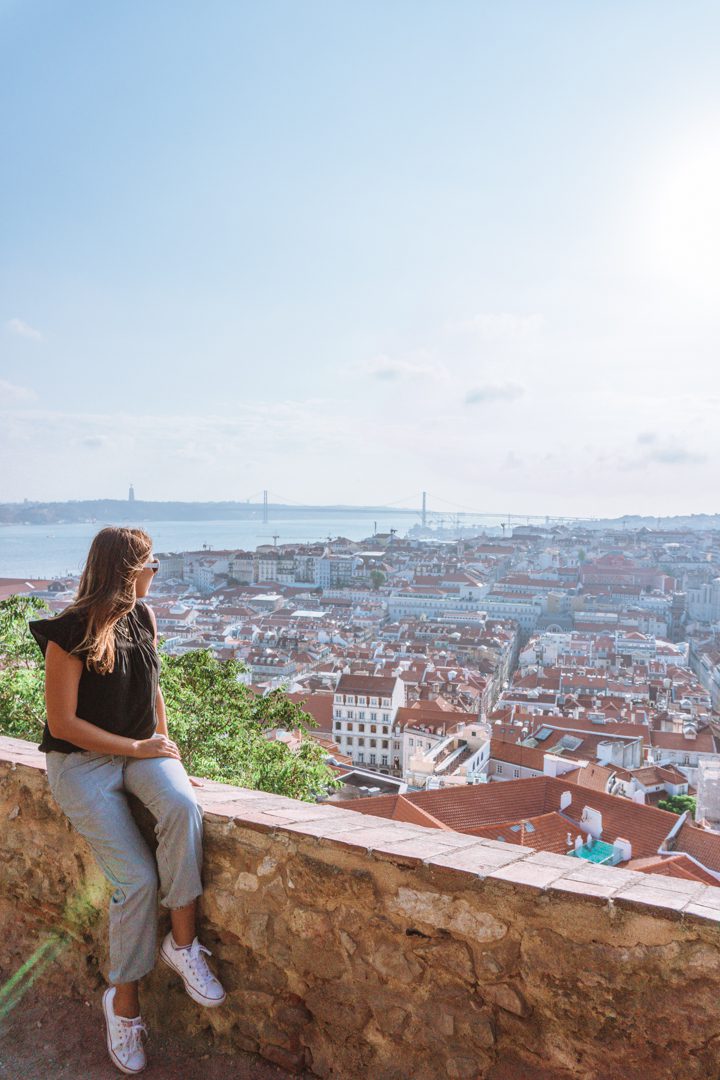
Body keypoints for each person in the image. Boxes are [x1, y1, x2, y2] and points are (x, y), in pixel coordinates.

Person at [29, 526, 226, 1076]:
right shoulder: (67, 633)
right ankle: (123, 1003)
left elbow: (152, 687)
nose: (155, 573)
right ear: (126, 570)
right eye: (151, 564)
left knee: (184, 808)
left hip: (142, 752)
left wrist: (165, 751)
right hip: (82, 765)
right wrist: (138, 746)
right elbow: (64, 724)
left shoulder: (144, 618)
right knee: (136, 881)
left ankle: (183, 946)